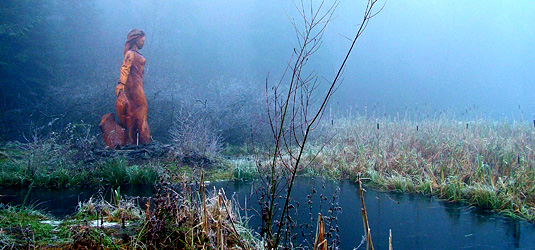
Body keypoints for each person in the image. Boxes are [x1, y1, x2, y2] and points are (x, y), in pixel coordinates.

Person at [100, 29, 150, 147]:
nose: (143, 43)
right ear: (136, 39)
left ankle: (136, 141)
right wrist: (120, 85)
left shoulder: (135, 54)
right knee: (141, 113)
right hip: (134, 90)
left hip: (137, 87)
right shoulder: (130, 54)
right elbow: (124, 69)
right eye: (142, 40)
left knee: (136, 115)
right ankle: (145, 141)